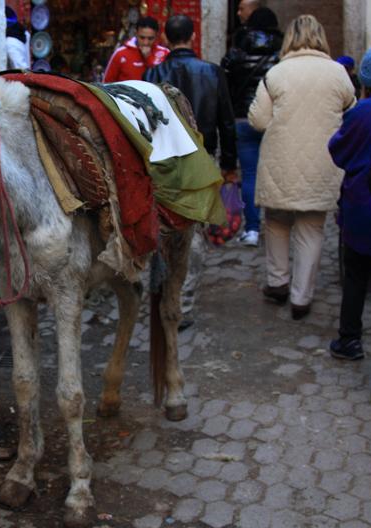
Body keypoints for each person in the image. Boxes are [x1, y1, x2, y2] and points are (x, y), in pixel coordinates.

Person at [248, 14, 356, 320]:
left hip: (280, 161)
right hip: (323, 161)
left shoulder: (276, 73)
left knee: (277, 222)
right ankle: (301, 298)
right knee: (312, 229)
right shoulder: (338, 73)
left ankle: (278, 282)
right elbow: (352, 114)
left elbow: (258, 120)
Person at [144, 14, 238, 330]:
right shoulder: (212, 72)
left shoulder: (153, 72)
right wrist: (228, 165)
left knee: (164, 225)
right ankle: (182, 302)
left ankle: (161, 290)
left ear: (167, 40)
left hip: (164, 161)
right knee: (193, 228)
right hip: (203, 157)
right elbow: (227, 121)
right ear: (193, 36)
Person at [327, 46, 371, 360]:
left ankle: (350, 341)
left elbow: (339, 152)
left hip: (364, 205)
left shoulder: (361, 112)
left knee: (357, 273)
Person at [222, 7, 283, 247]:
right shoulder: (282, 54)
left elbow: (225, 82)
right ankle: (276, 225)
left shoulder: (237, 51)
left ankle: (252, 229)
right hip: (274, 120)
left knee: (249, 175)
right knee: (276, 174)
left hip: (243, 118)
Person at [104, 17, 169, 83]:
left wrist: (148, 59)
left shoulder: (165, 53)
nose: (145, 42)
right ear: (136, 34)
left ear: (156, 35)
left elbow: (167, 82)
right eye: (142, 38)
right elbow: (106, 83)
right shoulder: (120, 53)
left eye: (150, 38)